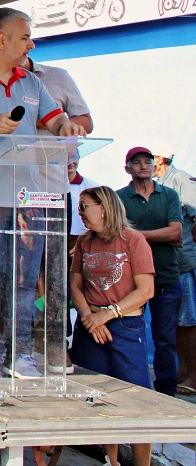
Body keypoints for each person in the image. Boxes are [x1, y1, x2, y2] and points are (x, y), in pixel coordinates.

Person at [0, 8, 85, 379]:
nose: (31, 43)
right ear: (1, 39)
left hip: (29, 195)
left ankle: (21, 353)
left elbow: (54, 118)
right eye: (25, 37)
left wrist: (64, 125)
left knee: (24, 278)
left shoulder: (32, 82)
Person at [70, 185, 156, 466]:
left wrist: (107, 315)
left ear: (104, 208)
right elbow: (76, 284)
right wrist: (89, 318)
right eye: (79, 207)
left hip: (124, 325)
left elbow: (145, 290)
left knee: (137, 399)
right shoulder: (84, 241)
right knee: (99, 396)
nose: (80, 213)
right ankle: (112, 459)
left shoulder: (133, 240)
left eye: (85, 206)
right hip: (90, 323)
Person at [116, 146, 183, 396]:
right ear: (127, 169)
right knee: (132, 336)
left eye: (147, 162)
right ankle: (135, 387)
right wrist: (159, 236)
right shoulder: (119, 197)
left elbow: (176, 232)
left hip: (166, 276)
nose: (143, 166)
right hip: (131, 279)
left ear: (155, 167)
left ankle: (167, 393)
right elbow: (118, 235)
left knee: (165, 339)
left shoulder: (169, 195)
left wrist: (137, 237)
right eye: (136, 162)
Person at [154, 149, 196, 394]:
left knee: (189, 322)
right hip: (170, 265)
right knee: (179, 323)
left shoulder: (181, 180)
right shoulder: (159, 184)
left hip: (185, 263)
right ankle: (183, 373)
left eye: (149, 157)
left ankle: (193, 377)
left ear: (159, 159)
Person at [23, 56, 94, 134]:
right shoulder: (8, 82)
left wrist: (59, 125)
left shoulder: (58, 75)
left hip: (57, 145)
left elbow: (87, 123)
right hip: (15, 145)